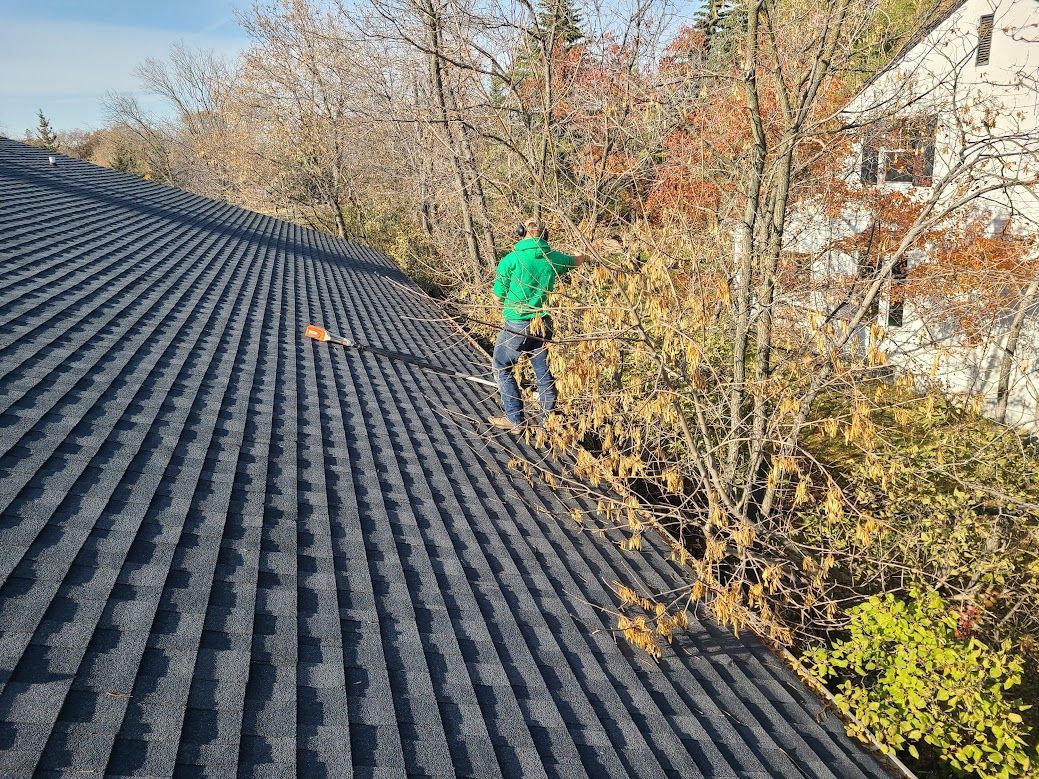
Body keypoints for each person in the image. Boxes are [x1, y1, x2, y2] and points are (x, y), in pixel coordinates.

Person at [488, 219, 588, 430]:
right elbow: (577, 260)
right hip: (543, 323)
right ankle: (546, 424)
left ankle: (515, 419)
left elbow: (498, 297)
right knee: (543, 375)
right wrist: (584, 252)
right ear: (545, 235)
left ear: (521, 232)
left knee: (501, 367)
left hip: (517, 323)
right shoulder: (553, 259)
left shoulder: (511, 260)